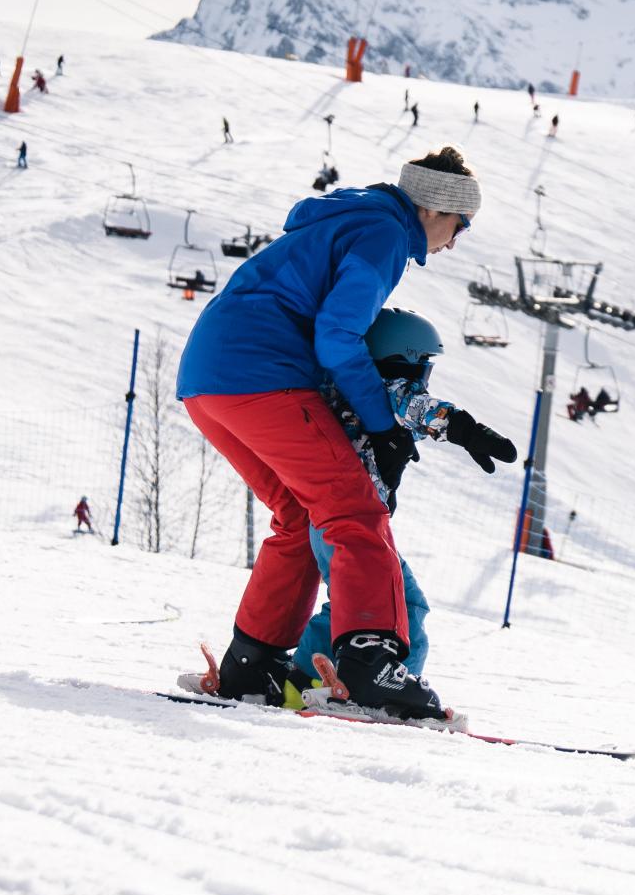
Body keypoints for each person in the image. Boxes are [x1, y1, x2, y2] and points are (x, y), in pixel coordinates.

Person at [177, 146, 507, 719]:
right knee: (353, 510)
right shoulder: (383, 234)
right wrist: (381, 427)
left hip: (208, 378)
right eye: (462, 225)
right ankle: (369, 668)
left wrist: (436, 424)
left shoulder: (350, 218)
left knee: (300, 514)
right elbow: (337, 337)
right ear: (436, 209)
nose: (457, 239)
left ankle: (250, 666)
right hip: (262, 373)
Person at [287, 309, 515, 687]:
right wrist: (465, 429)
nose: (425, 376)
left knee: (355, 601)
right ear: (402, 359)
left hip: (329, 522)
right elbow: (414, 406)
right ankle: (392, 686)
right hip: (348, 524)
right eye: (424, 364)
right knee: (405, 605)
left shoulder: (346, 392)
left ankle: (305, 681)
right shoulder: (386, 389)